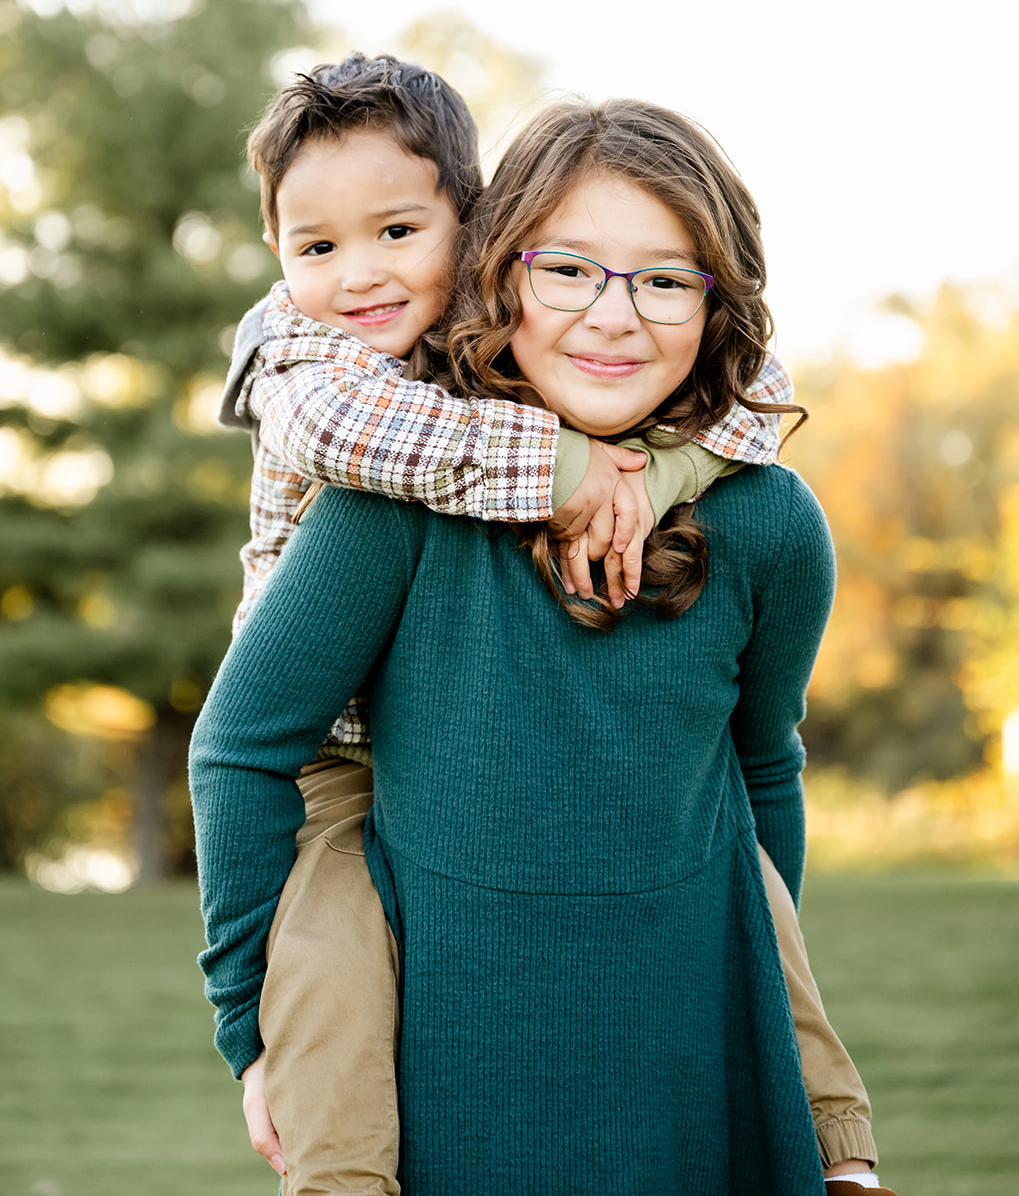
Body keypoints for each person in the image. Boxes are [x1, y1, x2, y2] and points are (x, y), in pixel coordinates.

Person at [192, 97, 894, 1195]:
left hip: (680, 1031)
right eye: (567, 269)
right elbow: (239, 747)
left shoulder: (768, 523)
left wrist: (653, 473)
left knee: (752, 898)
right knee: (324, 966)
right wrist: (251, 1026)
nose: (613, 316)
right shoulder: (383, 472)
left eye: (665, 279)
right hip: (369, 832)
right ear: (498, 269)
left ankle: (834, 1143)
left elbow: (764, 767)